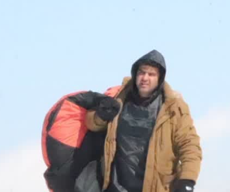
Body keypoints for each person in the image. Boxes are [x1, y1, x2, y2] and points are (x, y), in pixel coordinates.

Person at [85, 50, 201, 192]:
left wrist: (187, 180)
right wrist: (101, 115)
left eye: (151, 74)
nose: (145, 78)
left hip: (155, 187)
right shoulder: (119, 98)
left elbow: (189, 145)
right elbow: (92, 125)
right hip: (115, 187)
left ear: (160, 78)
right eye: (142, 72)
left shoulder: (173, 108)